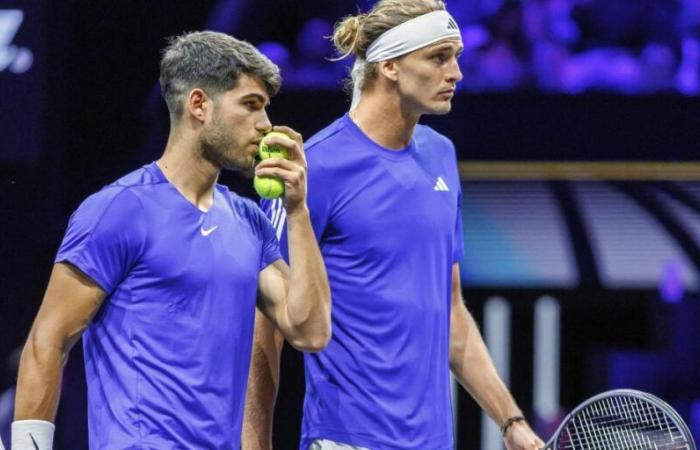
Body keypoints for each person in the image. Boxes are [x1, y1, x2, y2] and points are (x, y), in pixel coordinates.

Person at [242, 2, 545, 450]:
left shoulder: (442, 155)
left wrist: (510, 421)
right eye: (439, 57)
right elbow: (264, 330)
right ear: (390, 65)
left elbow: (452, 314)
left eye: (456, 56)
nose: (457, 73)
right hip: (346, 441)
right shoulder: (315, 168)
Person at [12, 31, 331, 449]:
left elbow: (310, 331)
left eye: (265, 108)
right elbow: (48, 340)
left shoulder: (249, 221)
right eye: (251, 105)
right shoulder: (120, 209)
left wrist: (298, 211)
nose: (265, 125)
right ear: (199, 105)